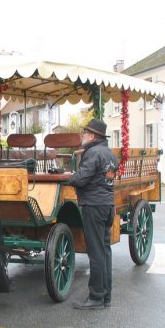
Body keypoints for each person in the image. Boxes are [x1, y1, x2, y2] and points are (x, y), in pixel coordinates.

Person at [67, 118, 119, 310]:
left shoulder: (93, 153)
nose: (82, 136)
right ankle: (106, 296)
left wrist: (69, 178)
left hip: (93, 206)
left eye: (84, 133)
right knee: (105, 251)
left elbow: (81, 179)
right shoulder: (110, 155)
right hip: (106, 205)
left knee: (96, 252)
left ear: (92, 136)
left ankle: (96, 297)